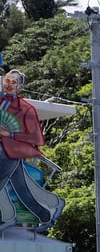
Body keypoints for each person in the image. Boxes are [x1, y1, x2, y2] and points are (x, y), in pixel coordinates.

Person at [0, 69, 64, 230]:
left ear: (20, 87)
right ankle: (45, 216)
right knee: (23, 190)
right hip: (3, 151)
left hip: (12, 154)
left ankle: (8, 218)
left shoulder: (26, 109)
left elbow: (37, 138)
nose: (9, 84)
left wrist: (11, 134)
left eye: (13, 82)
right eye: (7, 80)